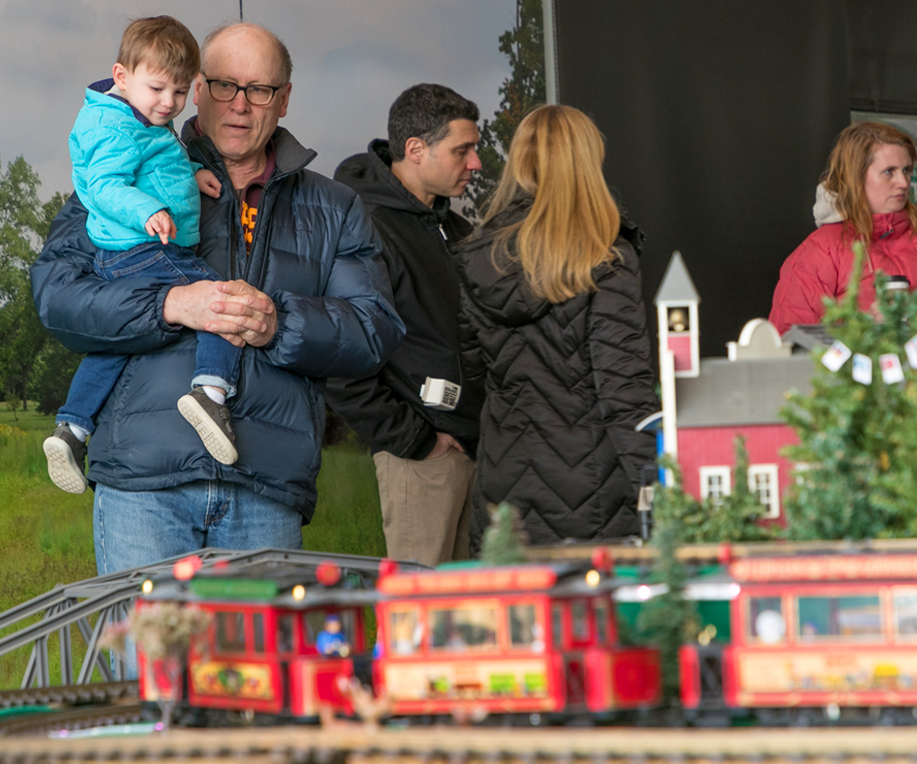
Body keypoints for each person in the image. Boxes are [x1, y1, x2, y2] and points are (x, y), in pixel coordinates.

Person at [31, 22, 404, 576]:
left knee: (252, 666)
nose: (240, 105)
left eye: (260, 90)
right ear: (198, 88)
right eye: (224, 86)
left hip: (266, 490)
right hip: (143, 484)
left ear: (284, 100)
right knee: (149, 665)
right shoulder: (125, 171)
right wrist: (168, 307)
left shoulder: (336, 207)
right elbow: (57, 297)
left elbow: (374, 331)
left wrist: (280, 323)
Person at [42, 16, 244, 496]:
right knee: (220, 301)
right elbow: (108, 184)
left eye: (179, 91)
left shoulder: (140, 116)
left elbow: (154, 161)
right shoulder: (114, 126)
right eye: (158, 89)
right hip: (142, 248)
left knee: (120, 342)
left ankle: (72, 429)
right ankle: (210, 391)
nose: (168, 103)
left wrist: (190, 175)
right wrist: (148, 207)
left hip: (128, 251)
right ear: (121, 76)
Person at [453, 104, 658, 545]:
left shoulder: (477, 258)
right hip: (594, 492)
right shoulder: (604, 259)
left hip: (503, 491)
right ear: (587, 163)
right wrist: (659, 487)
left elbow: (474, 379)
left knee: (521, 614)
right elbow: (625, 393)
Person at [324, 84, 484, 566]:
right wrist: (416, 441)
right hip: (422, 461)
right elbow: (340, 359)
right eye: (463, 150)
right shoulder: (365, 229)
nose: (475, 164)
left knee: (474, 624)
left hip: (475, 454)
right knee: (424, 621)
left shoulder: (454, 230)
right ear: (415, 150)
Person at [768, 122, 917, 334]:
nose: (903, 182)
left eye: (906, 170)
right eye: (889, 172)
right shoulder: (819, 252)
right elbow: (791, 345)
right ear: (857, 177)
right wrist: (863, 330)